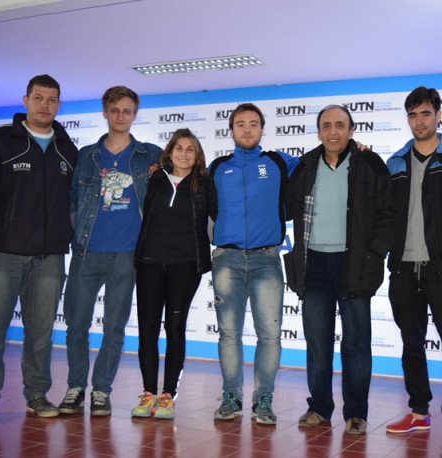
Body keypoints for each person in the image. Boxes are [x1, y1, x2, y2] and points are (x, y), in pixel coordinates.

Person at [284, 105, 394, 434]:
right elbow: (287, 206)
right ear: (319, 131)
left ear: (351, 130)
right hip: (313, 265)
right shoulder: (304, 165)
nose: (333, 131)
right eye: (327, 125)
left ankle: (356, 412)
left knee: (357, 344)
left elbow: (388, 213)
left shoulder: (370, 163)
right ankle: (319, 408)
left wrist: (374, 253)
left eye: (340, 125)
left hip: (355, 265)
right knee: (318, 343)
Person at [58, 86, 162, 416]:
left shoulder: (150, 155)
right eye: (114, 110)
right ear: (105, 112)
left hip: (127, 256)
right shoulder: (86, 155)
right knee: (76, 324)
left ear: (135, 114)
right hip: (87, 253)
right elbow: (73, 202)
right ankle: (75, 387)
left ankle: (101, 390)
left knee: (114, 328)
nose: (121, 116)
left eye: (127, 111)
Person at [0, 74, 78, 424]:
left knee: (40, 335)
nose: (45, 105)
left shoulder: (66, 148)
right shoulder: (0, 141)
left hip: (49, 258)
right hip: (0, 254)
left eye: (52, 99)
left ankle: (37, 394)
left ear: (58, 104)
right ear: (26, 100)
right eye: (39, 98)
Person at [385, 86, 442, 443]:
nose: (419, 121)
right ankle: (419, 411)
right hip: (404, 268)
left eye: (425, 113)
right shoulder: (395, 162)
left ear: (439, 115)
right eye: (413, 115)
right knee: (411, 344)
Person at [209, 103, 300, 425]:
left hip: (266, 260)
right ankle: (230, 397)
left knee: (270, 336)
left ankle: (263, 400)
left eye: (253, 124)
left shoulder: (278, 162)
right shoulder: (217, 167)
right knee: (229, 335)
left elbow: (320, 163)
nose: (247, 129)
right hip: (227, 260)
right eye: (240, 124)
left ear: (262, 129)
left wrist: (355, 149)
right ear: (231, 130)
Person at [131, 128, 216, 419]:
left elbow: (217, 218)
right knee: (147, 330)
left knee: (175, 328)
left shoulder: (205, 184)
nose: (183, 153)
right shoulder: (156, 178)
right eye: (178, 148)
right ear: (169, 152)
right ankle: (147, 393)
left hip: (186, 266)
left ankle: (167, 395)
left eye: (190, 149)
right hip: (150, 264)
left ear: (197, 155)